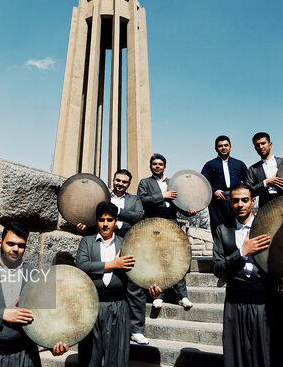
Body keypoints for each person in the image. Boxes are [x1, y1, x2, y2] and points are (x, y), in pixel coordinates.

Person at [0, 223, 68, 366]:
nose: (15, 249)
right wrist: (2, 314)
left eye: (21, 245)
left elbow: (45, 318)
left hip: (25, 357)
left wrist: (53, 345)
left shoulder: (36, 276)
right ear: (0, 243)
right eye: (10, 244)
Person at [212, 183, 283, 367]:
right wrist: (242, 252)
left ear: (253, 201)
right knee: (237, 358)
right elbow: (218, 268)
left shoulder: (270, 226)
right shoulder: (222, 230)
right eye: (235, 201)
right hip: (235, 304)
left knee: (266, 356)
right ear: (230, 202)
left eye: (245, 200)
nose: (240, 205)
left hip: (264, 303)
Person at [76, 202, 161, 366]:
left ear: (116, 221)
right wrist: (112, 264)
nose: (105, 224)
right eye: (101, 220)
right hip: (92, 306)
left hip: (119, 307)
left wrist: (152, 288)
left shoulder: (126, 243)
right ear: (96, 221)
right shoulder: (87, 242)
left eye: (109, 220)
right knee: (90, 356)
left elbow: (139, 273)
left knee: (117, 356)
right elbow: (82, 266)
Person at [75, 170, 150, 344]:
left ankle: (137, 329)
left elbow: (138, 216)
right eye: (118, 180)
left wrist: (116, 211)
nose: (120, 184)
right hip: (103, 239)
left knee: (134, 286)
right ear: (113, 180)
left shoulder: (134, 200)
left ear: (128, 184)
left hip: (128, 240)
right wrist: (83, 228)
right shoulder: (101, 197)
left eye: (124, 181)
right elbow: (94, 217)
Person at [137, 153, 195, 310]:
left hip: (172, 222)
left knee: (177, 259)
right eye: (154, 164)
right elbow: (142, 200)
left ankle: (183, 296)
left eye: (160, 164)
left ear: (164, 166)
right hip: (154, 223)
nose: (157, 166)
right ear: (151, 166)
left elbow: (180, 202)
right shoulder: (145, 182)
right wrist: (162, 196)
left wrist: (188, 211)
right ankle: (158, 295)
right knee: (157, 260)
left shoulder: (172, 182)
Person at [201, 135, 248, 230]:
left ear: (230, 147)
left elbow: (248, 182)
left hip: (235, 201)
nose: (223, 148)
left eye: (226, 145)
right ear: (216, 148)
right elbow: (202, 182)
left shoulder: (239, 164)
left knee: (237, 228)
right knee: (218, 229)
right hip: (217, 202)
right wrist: (214, 191)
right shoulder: (209, 164)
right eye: (220, 146)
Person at [246, 132, 283, 208]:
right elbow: (249, 191)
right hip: (265, 207)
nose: (261, 147)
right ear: (255, 148)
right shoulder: (253, 169)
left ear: (270, 144)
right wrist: (266, 182)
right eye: (257, 145)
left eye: (263, 143)